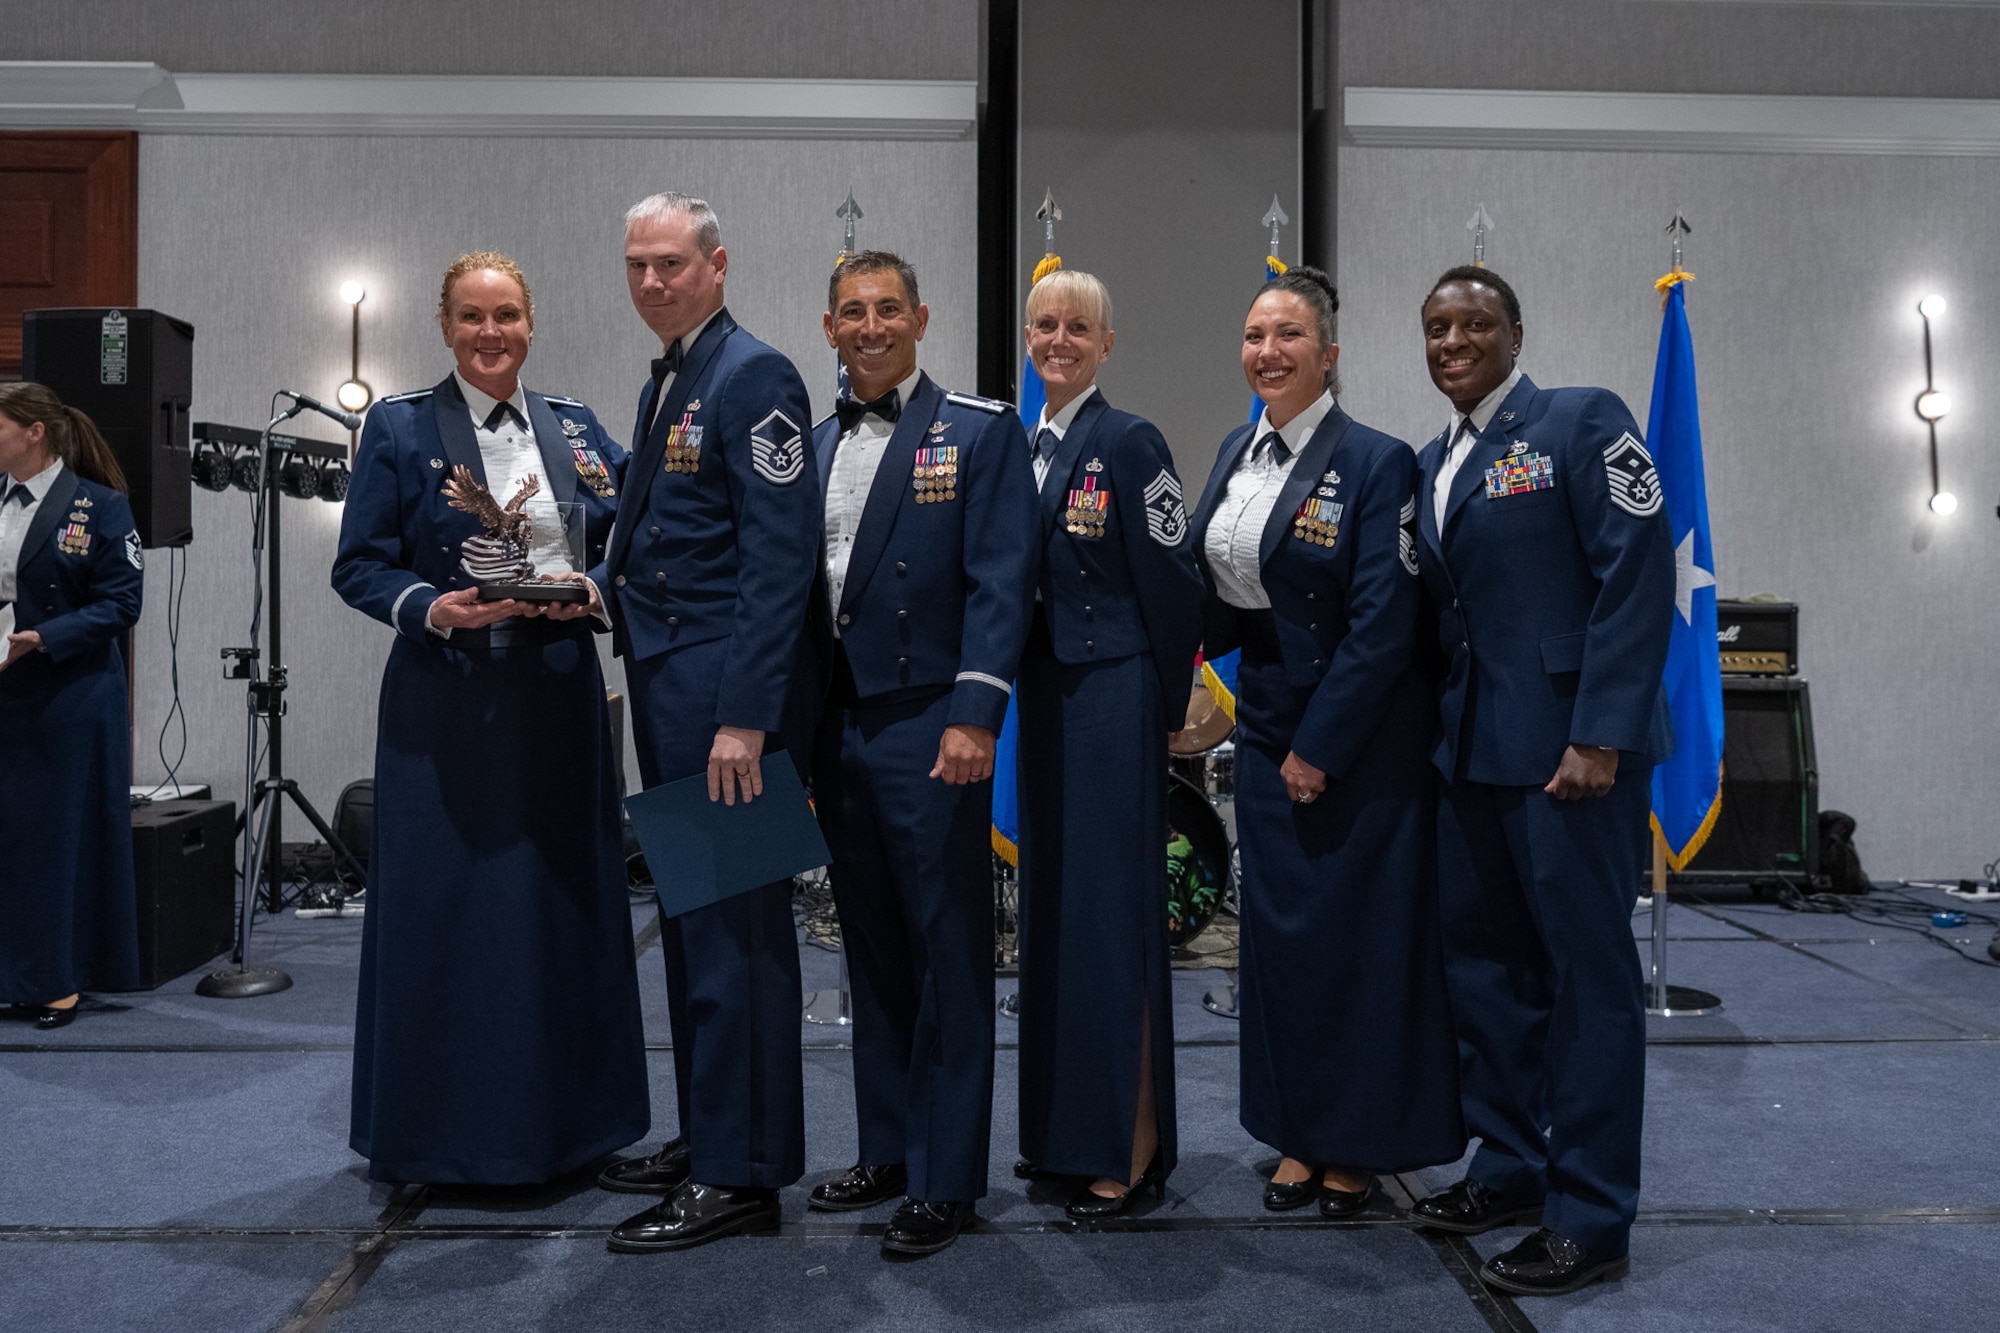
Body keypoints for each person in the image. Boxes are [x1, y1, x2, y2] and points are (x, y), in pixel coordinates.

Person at [332, 250, 648, 1186]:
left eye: (506, 314)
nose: (490, 332)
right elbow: (358, 565)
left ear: (531, 322)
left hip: (556, 693)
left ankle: (576, 1129)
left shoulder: (579, 427)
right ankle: (444, 1138)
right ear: (444, 327)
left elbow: (636, 537)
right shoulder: (395, 429)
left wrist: (595, 590)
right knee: (451, 910)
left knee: (562, 904)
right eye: (471, 316)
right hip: (449, 698)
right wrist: (432, 604)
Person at [1406, 265, 1674, 1296]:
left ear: (1515, 332)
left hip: (1572, 759)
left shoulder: (1579, 422)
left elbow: (1634, 574)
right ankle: (1510, 1164)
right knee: (1488, 979)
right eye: (1434, 327)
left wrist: (1599, 733)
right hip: (1473, 756)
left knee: (1584, 990)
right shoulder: (1438, 456)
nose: (1451, 341)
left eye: (1472, 323)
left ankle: (1591, 1214)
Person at [1186, 267, 1465, 1219]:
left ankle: (1360, 1143)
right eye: (1256, 335)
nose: (1268, 351)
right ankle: (1297, 1132)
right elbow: (1215, 587)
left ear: (1330, 354)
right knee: (1278, 946)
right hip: (1265, 727)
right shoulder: (1237, 448)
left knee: (1361, 945)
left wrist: (1322, 745)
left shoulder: (1378, 461)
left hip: (1360, 741)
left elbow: (1385, 625)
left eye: (1289, 336)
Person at [591, 193, 821, 1254]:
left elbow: (778, 562)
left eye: (671, 263)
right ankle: (710, 1133)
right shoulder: (678, 372)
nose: (651, 281)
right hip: (672, 682)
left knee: (737, 940)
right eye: (637, 264)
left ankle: (741, 1173)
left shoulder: (753, 376)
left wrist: (745, 719)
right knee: (693, 929)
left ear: (718, 264)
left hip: (722, 702)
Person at [806, 250, 1037, 1257]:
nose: (870, 326)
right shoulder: (810, 446)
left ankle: (945, 1179)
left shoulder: (977, 431)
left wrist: (974, 714)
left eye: (887, 308)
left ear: (921, 316)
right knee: (870, 950)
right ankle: (890, 1147)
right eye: (851, 311)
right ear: (828, 328)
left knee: (946, 953)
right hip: (837, 727)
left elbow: (1000, 579)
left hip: (930, 721)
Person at [1009, 269, 1202, 1218]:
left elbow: (1172, 579)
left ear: (1107, 342)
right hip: (1043, 698)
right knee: (1051, 918)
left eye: (1077, 327)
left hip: (1115, 696)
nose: (1057, 340)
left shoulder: (1128, 441)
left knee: (1111, 922)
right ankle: (1058, 1131)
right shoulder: (1021, 443)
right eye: (1044, 324)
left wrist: (1165, 706)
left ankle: (1130, 1146)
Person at [0, 382, 143, 1030]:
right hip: (5, 682)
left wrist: (45, 637)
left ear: (35, 432)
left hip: (69, 690)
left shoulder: (100, 507)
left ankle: (57, 982)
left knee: (56, 841)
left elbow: (121, 604)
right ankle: (10, 977)